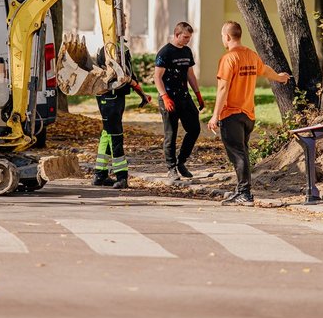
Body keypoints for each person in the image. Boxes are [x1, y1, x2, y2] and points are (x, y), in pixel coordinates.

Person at [207, 21, 291, 206]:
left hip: (231, 114)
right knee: (242, 152)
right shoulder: (250, 55)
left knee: (238, 154)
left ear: (227, 37)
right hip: (248, 115)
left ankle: (244, 193)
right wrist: (279, 77)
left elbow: (222, 89)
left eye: (222, 36)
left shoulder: (228, 59)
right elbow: (265, 69)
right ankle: (240, 190)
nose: (222, 39)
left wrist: (215, 115)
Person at [92, 46, 152, 189]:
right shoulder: (110, 49)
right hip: (110, 97)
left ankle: (100, 175)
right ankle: (121, 176)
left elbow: (129, 75)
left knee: (107, 134)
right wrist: (138, 90)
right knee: (115, 136)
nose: (124, 23)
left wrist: (141, 93)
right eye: (122, 21)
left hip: (112, 96)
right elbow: (124, 76)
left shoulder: (120, 48)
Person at [154, 22, 204, 182]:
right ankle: (171, 168)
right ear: (177, 35)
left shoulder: (187, 52)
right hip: (169, 98)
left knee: (194, 129)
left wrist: (198, 94)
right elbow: (157, 77)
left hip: (184, 97)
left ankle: (181, 161)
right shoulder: (165, 52)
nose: (188, 40)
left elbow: (190, 74)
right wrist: (165, 97)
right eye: (185, 37)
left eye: (189, 37)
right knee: (171, 134)